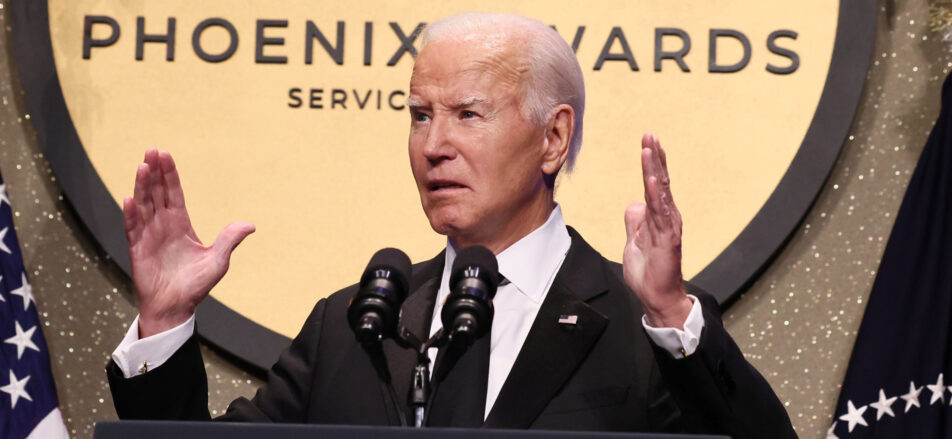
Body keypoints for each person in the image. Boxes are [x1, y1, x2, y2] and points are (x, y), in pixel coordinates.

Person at [106, 12, 796, 438]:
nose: (433, 144)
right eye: (418, 115)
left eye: (467, 114)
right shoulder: (351, 328)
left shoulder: (638, 331)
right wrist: (165, 322)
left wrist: (674, 312)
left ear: (554, 139)